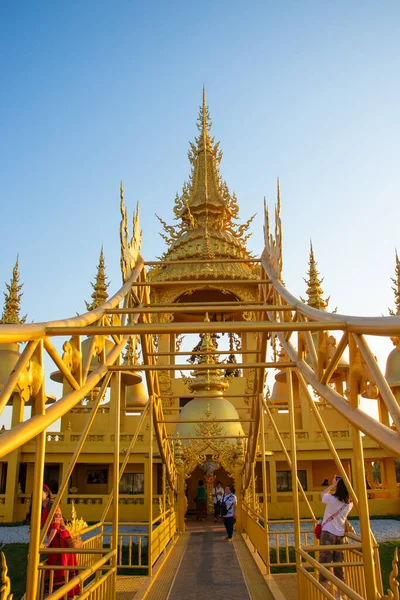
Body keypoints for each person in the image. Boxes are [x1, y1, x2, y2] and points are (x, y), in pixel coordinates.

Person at [33, 484, 81, 596]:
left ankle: (61, 594)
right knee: (58, 565)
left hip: (59, 539)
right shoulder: (43, 506)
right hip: (55, 539)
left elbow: (55, 526)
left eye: (40, 492)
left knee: (60, 566)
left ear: (46, 493)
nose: (37, 495)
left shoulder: (52, 504)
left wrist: (46, 542)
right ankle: (59, 593)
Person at [319, 476, 353, 599]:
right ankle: (339, 596)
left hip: (328, 533)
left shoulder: (331, 499)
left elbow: (322, 494)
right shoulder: (349, 504)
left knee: (325, 565)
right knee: (339, 567)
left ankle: (326, 595)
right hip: (340, 536)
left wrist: (332, 485)